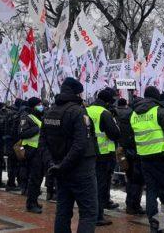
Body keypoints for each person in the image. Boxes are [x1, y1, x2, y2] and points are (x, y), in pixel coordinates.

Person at [39, 77, 98, 233]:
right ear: (77, 94)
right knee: (89, 213)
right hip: (80, 171)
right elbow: (80, 145)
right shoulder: (78, 112)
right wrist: (61, 165)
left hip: (60, 170)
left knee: (63, 212)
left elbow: (42, 144)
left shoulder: (49, 112)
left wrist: (53, 165)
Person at [128, 86, 164, 232]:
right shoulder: (160, 111)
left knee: (151, 191)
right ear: (157, 97)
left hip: (145, 158)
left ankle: (154, 223)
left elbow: (133, 138)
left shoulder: (134, 114)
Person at [86, 88, 122, 226]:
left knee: (94, 184)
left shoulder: (87, 110)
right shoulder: (104, 113)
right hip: (104, 153)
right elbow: (114, 134)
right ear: (107, 101)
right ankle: (98, 216)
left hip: (90, 152)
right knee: (100, 185)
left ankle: (98, 208)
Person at [115, 98, 145, 215]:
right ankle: (134, 206)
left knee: (130, 180)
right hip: (136, 152)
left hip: (126, 151)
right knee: (137, 181)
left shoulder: (126, 117)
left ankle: (130, 204)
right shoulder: (135, 117)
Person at [19, 97, 45, 214]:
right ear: (33, 106)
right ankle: (30, 204)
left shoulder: (38, 117)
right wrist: (36, 129)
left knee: (38, 177)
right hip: (31, 150)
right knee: (34, 178)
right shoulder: (26, 117)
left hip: (39, 150)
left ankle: (34, 200)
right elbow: (22, 133)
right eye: (39, 104)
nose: (41, 106)